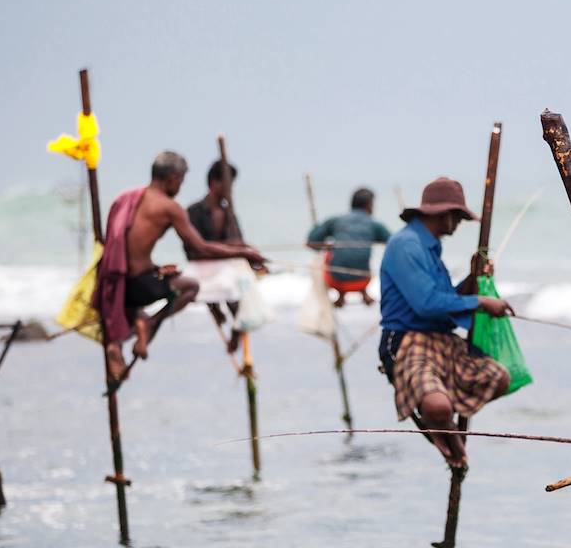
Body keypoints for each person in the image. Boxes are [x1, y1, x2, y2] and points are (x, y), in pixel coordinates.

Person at [377, 177, 514, 469]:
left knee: (499, 377)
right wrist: (482, 302)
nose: (459, 224)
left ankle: (439, 419)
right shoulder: (406, 245)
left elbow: (446, 299)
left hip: (440, 340)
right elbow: (426, 305)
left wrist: (472, 278)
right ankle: (437, 417)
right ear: (445, 214)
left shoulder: (430, 246)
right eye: (459, 218)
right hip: (407, 340)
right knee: (438, 406)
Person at [97, 151, 265, 381]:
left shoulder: (128, 198)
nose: (181, 187)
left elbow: (128, 247)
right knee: (190, 287)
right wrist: (244, 252)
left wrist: (157, 268)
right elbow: (201, 247)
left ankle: (118, 347)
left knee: (132, 313)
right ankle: (148, 323)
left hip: (117, 281)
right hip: (139, 284)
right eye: (182, 181)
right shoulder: (170, 207)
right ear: (173, 178)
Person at [185, 158, 257, 349]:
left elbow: (239, 243)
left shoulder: (229, 213)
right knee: (223, 284)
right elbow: (193, 250)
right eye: (228, 184)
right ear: (214, 183)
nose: (230, 189)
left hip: (226, 266)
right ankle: (216, 308)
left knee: (241, 291)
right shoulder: (194, 211)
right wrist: (231, 248)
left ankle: (236, 330)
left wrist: (249, 254)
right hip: (203, 266)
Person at [306, 187, 393, 306]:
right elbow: (393, 243)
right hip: (363, 280)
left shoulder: (336, 220)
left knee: (331, 254)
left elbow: (311, 242)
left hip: (335, 280)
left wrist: (326, 247)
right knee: (361, 254)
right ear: (369, 205)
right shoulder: (373, 224)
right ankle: (364, 293)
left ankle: (341, 295)